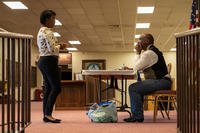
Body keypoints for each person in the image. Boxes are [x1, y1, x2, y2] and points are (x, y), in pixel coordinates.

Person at [123, 33, 172, 122]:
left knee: (133, 88)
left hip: (161, 81)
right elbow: (141, 67)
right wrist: (133, 68)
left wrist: (137, 52)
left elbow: (136, 67)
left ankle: (137, 116)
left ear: (146, 41)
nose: (138, 42)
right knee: (138, 87)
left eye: (139, 40)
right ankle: (138, 114)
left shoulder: (149, 53)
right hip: (164, 81)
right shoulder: (152, 51)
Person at [37, 9, 67, 123]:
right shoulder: (48, 32)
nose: (54, 21)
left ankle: (46, 115)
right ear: (47, 19)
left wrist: (58, 45)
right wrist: (61, 46)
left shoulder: (40, 31)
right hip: (49, 61)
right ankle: (48, 114)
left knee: (48, 88)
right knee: (56, 87)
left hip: (43, 61)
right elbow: (52, 49)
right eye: (53, 18)